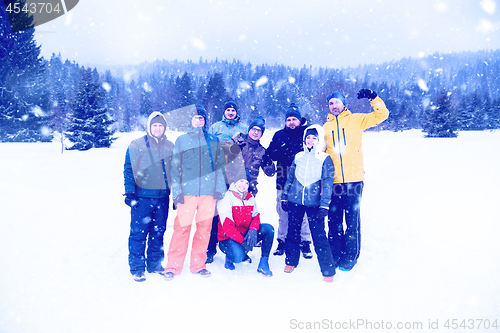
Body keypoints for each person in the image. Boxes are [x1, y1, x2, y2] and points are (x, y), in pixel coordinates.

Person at [323, 89, 389, 271]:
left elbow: (382, 115)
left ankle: (350, 257)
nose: (334, 106)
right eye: (331, 103)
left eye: (337, 102)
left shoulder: (357, 120)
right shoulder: (325, 128)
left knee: (352, 220)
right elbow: (321, 154)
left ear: (344, 104)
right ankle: (335, 254)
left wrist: (374, 98)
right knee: (334, 220)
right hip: (334, 182)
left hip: (354, 180)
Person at [164, 104, 226, 280]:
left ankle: (198, 265)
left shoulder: (213, 140)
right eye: (196, 117)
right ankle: (173, 266)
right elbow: (174, 169)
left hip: (208, 194)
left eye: (202, 117)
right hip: (187, 194)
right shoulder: (182, 140)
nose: (199, 120)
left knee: (204, 230)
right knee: (181, 229)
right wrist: (176, 192)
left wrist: (219, 189)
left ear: (205, 121)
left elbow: (220, 167)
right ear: (190, 120)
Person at [123, 111, 174, 282]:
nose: (158, 128)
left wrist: (177, 195)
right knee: (138, 233)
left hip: (162, 198)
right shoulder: (137, 144)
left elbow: (176, 172)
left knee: (158, 232)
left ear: (164, 127)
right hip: (142, 197)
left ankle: (154, 264)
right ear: (149, 127)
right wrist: (130, 192)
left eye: (160, 125)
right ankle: (137, 268)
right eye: (155, 125)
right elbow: (129, 169)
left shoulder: (170, 146)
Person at [281, 124, 336, 282]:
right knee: (292, 232)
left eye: (314, 138)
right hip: (295, 201)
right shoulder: (298, 156)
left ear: (319, 140)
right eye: (308, 138)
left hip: (315, 204)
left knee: (319, 236)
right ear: (304, 140)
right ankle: (291, 261)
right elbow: (290, 178)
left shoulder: (324, 158)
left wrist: (324, 205)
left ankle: (327, 269)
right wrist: (285, 195)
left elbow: (327, 183)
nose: (310, 140)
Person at [267, 103, 313, 258]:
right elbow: (270, 153)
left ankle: (305, 242)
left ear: (300, 120)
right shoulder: (279, 135)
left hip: (303, 180)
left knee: (304, 213)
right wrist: (283, 150)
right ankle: (282, 241)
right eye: (289, 120)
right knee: (283, 213)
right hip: (283, 179)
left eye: (294, 119)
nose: (291, 122)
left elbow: (316, 151)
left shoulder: (307, 133)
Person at [206, 98, 248, 263]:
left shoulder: (243, 128)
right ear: (224, 112)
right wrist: (229, 144)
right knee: (215, 213)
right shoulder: (216, 127)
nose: (230, 112)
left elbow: (249, 147)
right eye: (228, 110)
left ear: (237, 112)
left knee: (238, 213)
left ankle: (238, 247)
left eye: (233, 110)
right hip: (218, 174)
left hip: (237, 175)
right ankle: (210, 249)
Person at [217, 168, 274, 276]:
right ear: (236, 181)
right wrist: (242, 241)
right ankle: (230, 256)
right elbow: (227, 226)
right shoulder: (227, 198)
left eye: (247, 182)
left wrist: (253, 229)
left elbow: (256, 217)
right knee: (238, 257)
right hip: (227, 238)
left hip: (245, 234)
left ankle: (263, 263)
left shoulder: (250, 198)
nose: (243, 185)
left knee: (268, 229)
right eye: (241, 181)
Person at [223, 115, 275, 197]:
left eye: (259, 131)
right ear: (249, 129)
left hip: (248, 189)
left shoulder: (262, 151)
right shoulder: (238, 140)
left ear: (262, 134)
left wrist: (268, 162)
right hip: (230, 185)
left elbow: (270, 173)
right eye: (254, 129)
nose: (256, 132)